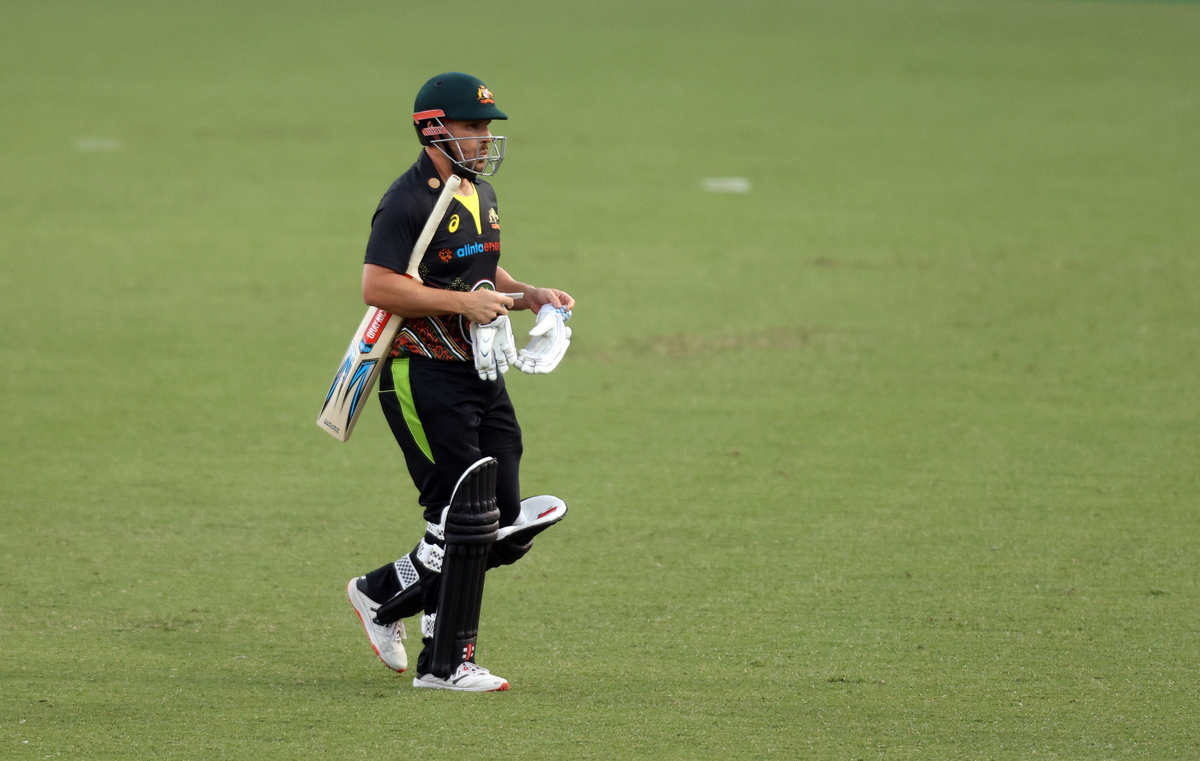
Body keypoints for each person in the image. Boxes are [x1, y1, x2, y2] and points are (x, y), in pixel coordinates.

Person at [345, 72, 574, 692]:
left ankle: (380, 594)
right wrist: (462, 306)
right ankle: (446, 664)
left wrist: (527, 295)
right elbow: (378, 285)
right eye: (473, 126)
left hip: (479, 367)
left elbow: (480, 269)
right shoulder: (406, 200)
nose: (483, 138)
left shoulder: (480, 191)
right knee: (463, 518)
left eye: (486, 127)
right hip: (420, 372)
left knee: (502, 519)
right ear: (433, 129)